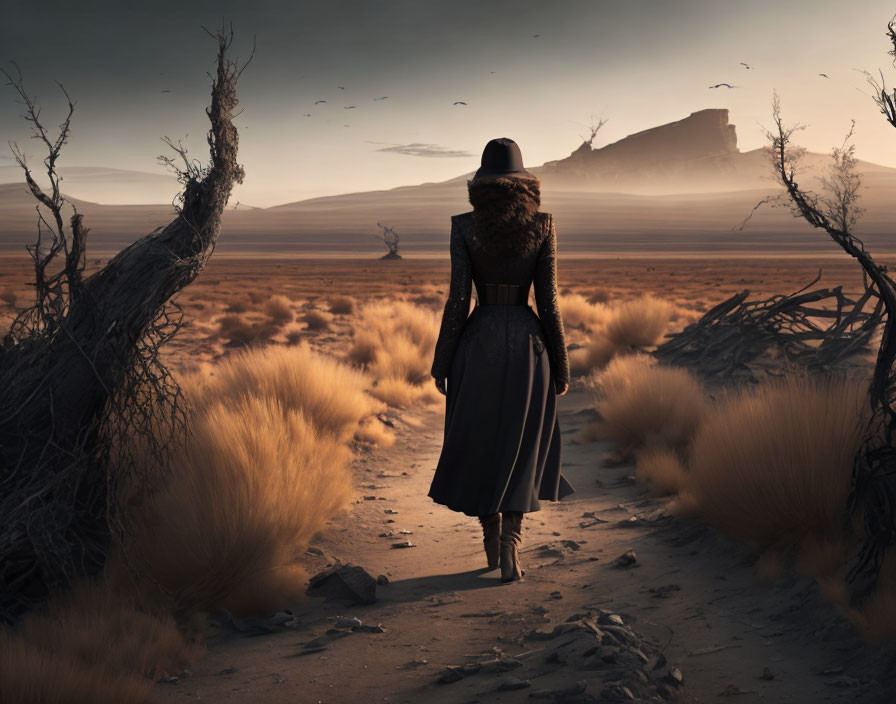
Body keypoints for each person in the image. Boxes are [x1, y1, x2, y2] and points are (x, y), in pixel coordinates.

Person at [428, 137, 575, 583]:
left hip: (478, 345)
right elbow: (548, 302)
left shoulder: (464, 226)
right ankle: (512, 545)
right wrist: (562, 366)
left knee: (478, 441)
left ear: (481, 182)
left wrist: (442, 363)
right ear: (524, 181)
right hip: (529, 347)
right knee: (522, 444)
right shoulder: (543, 225)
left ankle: (491, 537)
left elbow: (457, 301)